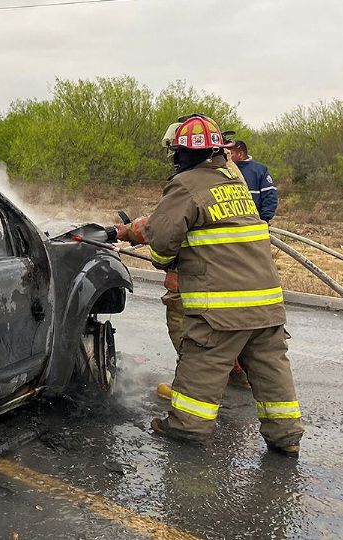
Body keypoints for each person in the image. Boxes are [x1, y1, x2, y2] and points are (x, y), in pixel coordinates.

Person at [111, 114, 304, 456]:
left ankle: (186, 429)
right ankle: (285, 436)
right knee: (271, 368)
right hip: (267, 302)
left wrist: (155, 250)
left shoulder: (185, 185)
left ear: (181, 154)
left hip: (222, 306)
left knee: (202, 362)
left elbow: (161, 246)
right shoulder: (235, 183)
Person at [154, 125, 249, 400]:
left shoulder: (194, 180)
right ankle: (239, 375)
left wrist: (148, 237)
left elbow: (172, 228)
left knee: (182, 316)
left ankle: (189, 388)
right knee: (238, 323)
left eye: (177, 151)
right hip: (240, 266)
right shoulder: (229, 173)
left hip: (204, 267)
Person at [229, 140, 277, 222]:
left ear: (240, 154)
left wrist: (264, 219)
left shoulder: (260, 170)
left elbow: (270, 196)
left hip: (256, 222)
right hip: (232, 224)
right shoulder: (225, 169)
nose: (228, 157)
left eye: (231, 154)